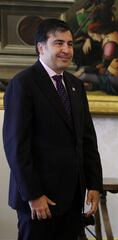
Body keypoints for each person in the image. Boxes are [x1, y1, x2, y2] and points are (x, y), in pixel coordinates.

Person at [2, 18, 103, 240]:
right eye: (59, 43)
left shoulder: (75, 85)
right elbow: (16, 147)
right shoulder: (23, 84)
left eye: (70, 43)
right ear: (41, 47)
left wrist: (94, 184)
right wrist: (33, 194)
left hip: (72, 199)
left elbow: (86, 139)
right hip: (39, 200)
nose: (67, 50)